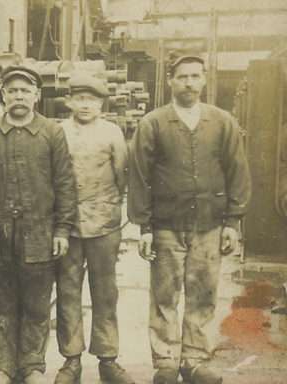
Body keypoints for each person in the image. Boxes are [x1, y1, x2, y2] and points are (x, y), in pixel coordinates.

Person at [129, 55, 251, 384]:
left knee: (203, 293)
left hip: (210, 225)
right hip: (167, 225)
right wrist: (144, 227)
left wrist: (233, 222)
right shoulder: (153, 123)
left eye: (196, 76)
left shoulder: (222, 122)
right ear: (171, 80)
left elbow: (238, 171)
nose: (189, 82)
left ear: (204, 80)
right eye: (182, 76)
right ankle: (166, 361)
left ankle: (195, 360)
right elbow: (140, 177)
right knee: (165, 295)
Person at [0, 65, 77, 384]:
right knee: (0, 304)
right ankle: (3, 366)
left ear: (37, 96)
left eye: (25, 91)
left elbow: (65, 183)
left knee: (36, 304)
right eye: (12, 90)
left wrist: (61, 230)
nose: (18, 96)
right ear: (2, 94)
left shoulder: (52, 132)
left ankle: (32, 366)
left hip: (38, 235)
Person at [54, 73, 133, 384]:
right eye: (79, 98)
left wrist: (116, 214)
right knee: (68, 290)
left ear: (101, 103)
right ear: (69, 101)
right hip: (67, 225)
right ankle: (71, 359)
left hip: (104, 223)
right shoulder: (58, 131)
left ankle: (108, 358)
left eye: (92, 99)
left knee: (105, 292)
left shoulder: (113, 132)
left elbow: (122, 175)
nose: (85, 105)